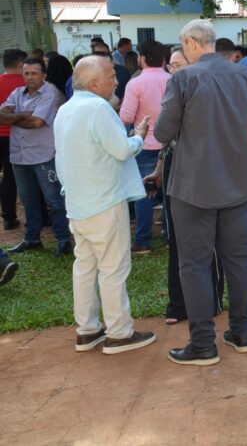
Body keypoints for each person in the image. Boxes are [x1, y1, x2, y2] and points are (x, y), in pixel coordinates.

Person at [155, 19, 247, 366]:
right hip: (240, 182)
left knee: (195, 264)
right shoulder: (246, 74)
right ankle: (241, 333)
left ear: (190, 43)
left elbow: (162, 133)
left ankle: (203, 344)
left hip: (193, 186)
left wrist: (244, 127)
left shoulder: (184, 79)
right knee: (238, 259)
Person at [54, 56, 157, 354]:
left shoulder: (66, 109)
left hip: (77, 201)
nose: (117, 81)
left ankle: (87, 331)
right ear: (95, 83)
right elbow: (122, 150)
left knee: (84, 267)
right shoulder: (99, 108)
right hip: (104, 200)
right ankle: (120, 334)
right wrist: (138, 136)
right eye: (112, 76)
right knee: (113, 269)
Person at [147, 47, 226, 326]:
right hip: (173, 164)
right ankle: (178, 304)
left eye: (180, 64)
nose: (175, 70)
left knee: (209, 235)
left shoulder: (207, 86)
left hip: (204, 165)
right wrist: (158, 168)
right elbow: (165, 136)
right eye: (172, 65)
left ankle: (212, 300)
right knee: (177, 237)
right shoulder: (173, 88)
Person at [0, 57, 71, 255]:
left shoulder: (51, 93)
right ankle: (32, 238)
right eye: (26, 73)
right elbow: (1, 116)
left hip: (43, 155)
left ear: (44, 75)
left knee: (54, 200)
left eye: (34, 73)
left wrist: (12, 118)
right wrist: (22, 115)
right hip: (19, 156)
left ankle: (63, 239)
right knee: (28, 199)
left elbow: (37, 123)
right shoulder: (17, 93)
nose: (29, 77)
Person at [119, 40, 171, 254]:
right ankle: (170, 237)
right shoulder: (174, 79)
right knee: (171, 193)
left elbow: (126, 117)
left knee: (144, 194)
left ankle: (142, 240)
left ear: (142, 58)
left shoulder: (136, 83)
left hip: (146, 144)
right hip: (171, 143)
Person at [1, 49, 26, 231]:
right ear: (20, 64)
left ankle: (8, 216)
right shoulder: (27, 84)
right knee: (12, 177)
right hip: (15, 136)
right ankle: (10, 218)